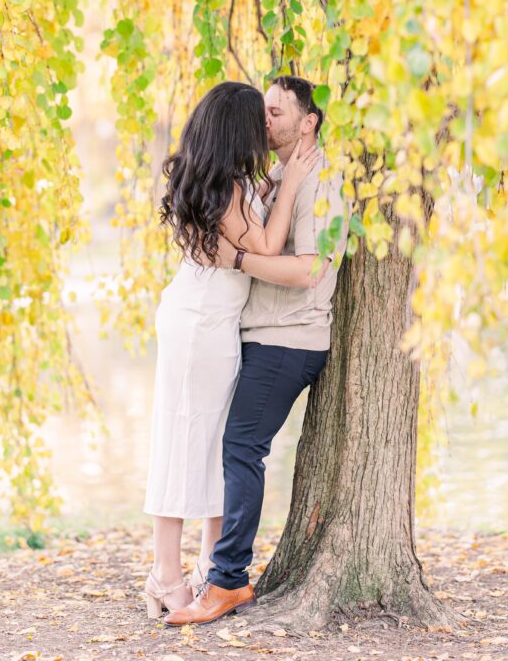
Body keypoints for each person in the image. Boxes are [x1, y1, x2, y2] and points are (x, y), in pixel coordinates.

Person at [164, 76, 348, 627]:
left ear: (308, 121)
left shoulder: (320, 182)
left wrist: (238, 261)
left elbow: (310, 270)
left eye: (274, 113)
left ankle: (227, 581)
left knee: (241, 447)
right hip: (258, 335)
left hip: (288, 339)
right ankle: (215, 571)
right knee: (232, 445)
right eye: (261, 113)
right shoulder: (274, 175)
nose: (263, 123)